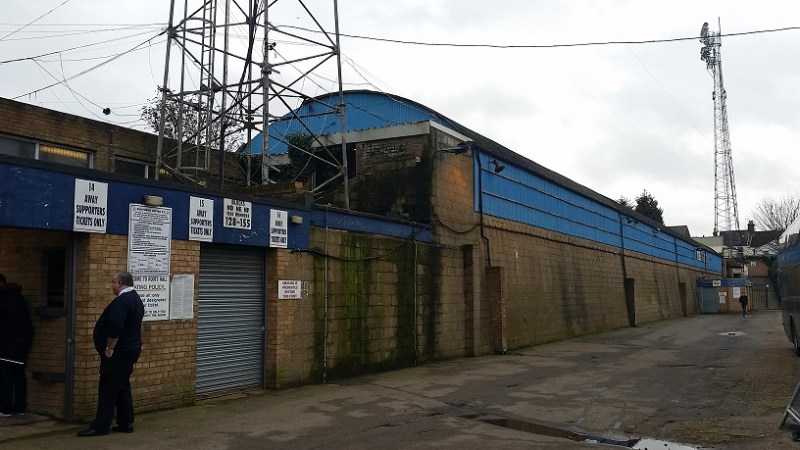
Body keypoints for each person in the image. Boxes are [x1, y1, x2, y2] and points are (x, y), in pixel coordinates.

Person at [78, 271, 144, 437]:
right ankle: (125, 422)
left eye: (113, 283)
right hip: (130, 350)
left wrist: (109, 348)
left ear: (121, 283)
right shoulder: (135, 299)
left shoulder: (122, 301)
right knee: (121, 385)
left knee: (107, 387)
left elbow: (115, 326)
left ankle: (100, 426)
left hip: (119, 352)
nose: (112, 286)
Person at [0, 274, 35, 417]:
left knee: (5, 377)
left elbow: (5, 325)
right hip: (21, 344)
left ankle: (5, 408)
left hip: (6, 345)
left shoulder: (3, 299)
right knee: (19, 375)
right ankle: (19, 407)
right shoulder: (18, 297)